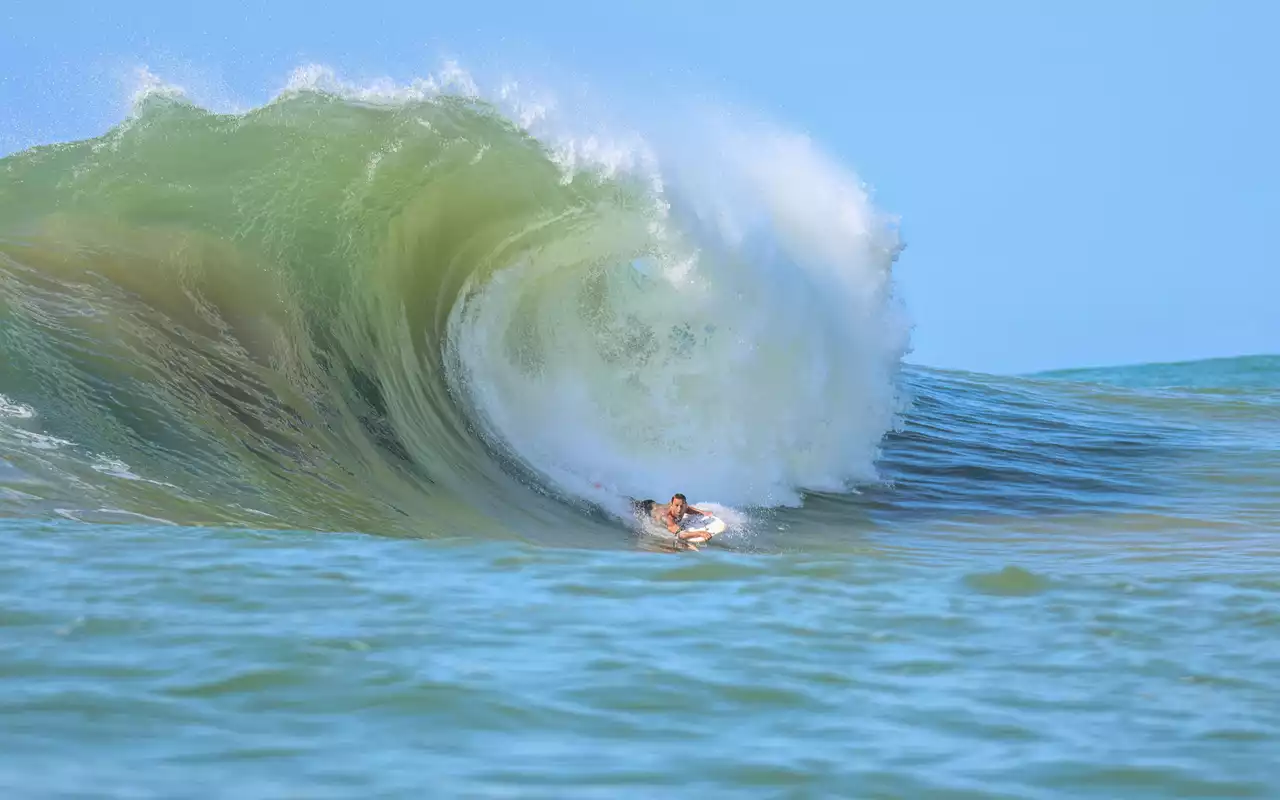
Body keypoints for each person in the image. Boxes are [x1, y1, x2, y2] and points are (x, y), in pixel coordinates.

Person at [631, 493, 710, 539]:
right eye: (676, 505)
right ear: (672, 504)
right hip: (646, 507)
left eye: (681, 506)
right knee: (631, 504)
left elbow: (687, 508)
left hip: (654, 504)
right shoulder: (667, 518)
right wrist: (699, 533)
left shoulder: (683, 507)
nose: (679, 509)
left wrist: (703, 513)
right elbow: (681, 534)